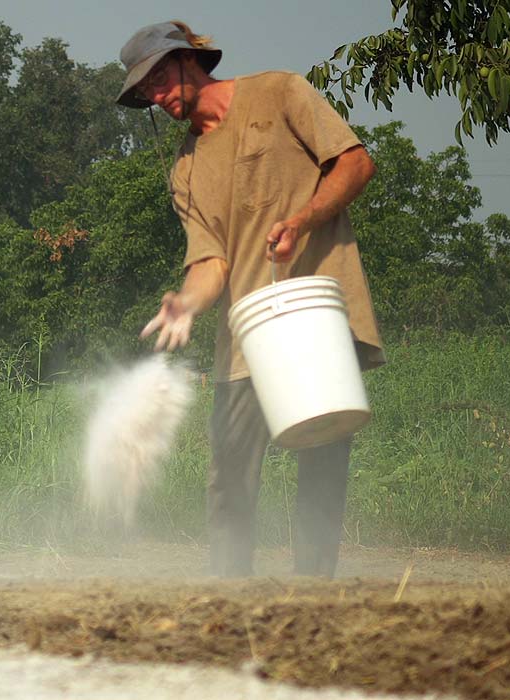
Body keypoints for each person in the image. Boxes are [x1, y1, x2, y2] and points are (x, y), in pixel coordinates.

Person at [116, 21, 384, 577]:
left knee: (323, 459)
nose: (158, 96)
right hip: (249, 335)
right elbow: (211, 264)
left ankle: (312, 598)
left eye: (160, 79)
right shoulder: (185, 172)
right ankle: (229, 599)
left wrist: (304, 218)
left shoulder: (279, 92)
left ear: (191, 61)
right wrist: (186, 303)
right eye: (146, 92)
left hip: (317, 313)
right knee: (229, 473)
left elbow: (356, 163)